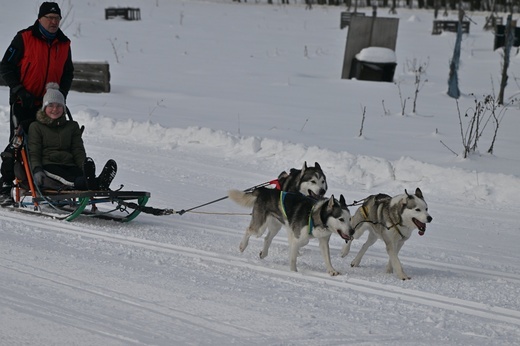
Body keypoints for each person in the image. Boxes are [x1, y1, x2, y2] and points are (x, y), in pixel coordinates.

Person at [0, 2, 74, 197]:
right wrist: (18, 89)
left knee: (55, 143)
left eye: (57, 18)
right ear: (40, 19)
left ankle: (52, 181)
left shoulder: (64, 44)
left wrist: (61, 97)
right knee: (18, 143)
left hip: (50, 106)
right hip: (23, 102)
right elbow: (5, 66)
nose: (54, 22)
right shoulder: (24, 38)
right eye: (49, 18)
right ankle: (6, 184)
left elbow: (67, 73)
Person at [27, 83, 117, 191]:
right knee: (70, 180)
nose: (55, 109)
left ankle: (95, 181)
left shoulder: (72, 126)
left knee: (81, 177)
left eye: (59, 105)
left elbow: (77, 150)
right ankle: (95, 183)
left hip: (69, 164)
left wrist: (83, 166)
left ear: (64, 108)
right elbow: (34, 151)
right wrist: (37, 169)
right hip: (49, 165)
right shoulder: (36, 127)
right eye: (50, 105)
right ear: (44, 108)